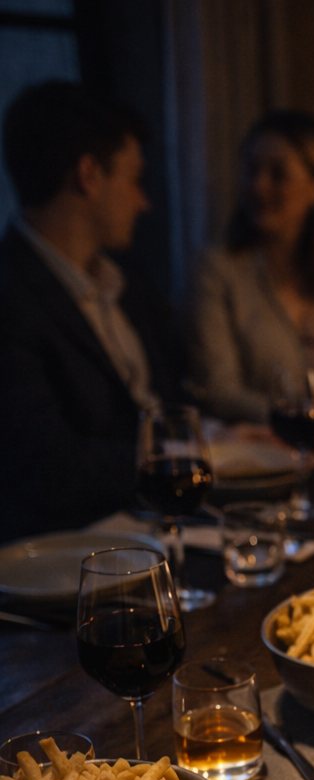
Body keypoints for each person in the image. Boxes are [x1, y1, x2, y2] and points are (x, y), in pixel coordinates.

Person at [0, 81, 183, 538]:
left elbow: (170, 399)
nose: (144, 202)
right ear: (89, 175)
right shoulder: (9, 295)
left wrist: (222, 438)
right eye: (134, 179)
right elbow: (47, 468)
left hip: (165, 523)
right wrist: (186, 452)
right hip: (79, 560)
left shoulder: (124, 277)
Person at [190, 111, 314, 423]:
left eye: (277, 174)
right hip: (263, 456)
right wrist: (302, 417)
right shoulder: (218, 273)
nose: (257, 185)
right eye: (251, 170)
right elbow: (219, 390)